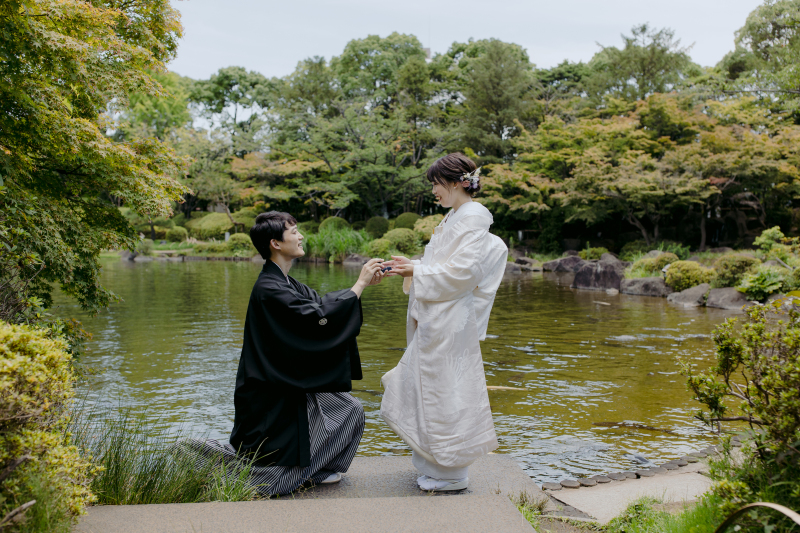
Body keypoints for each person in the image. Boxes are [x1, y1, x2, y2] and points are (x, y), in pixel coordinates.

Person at [190, 211, 385, 497]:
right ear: (275, 244)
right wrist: (358, 285)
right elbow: (315, 317)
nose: (300, 235)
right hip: (270, 389)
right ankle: (215, 463)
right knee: (272, 482)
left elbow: (321, 306)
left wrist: (360, 287)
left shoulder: (286, 282)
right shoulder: (269, 288)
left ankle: (314, 469)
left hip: (287, 380)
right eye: (293, 231)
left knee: (350, 410)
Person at [380, 153, 508, 492]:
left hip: (450, 321)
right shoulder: (456, 217)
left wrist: (418, 271)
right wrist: (414, 265)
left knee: (445, 392)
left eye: (437, 184)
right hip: (440, 318)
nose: (434, 191)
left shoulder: (471, 218)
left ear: (455, 182)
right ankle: (435, 466)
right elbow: (446, 264)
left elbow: (463, 273)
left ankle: (451, 472)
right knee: (428, 388)